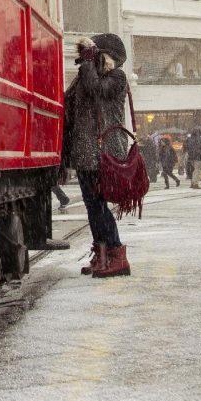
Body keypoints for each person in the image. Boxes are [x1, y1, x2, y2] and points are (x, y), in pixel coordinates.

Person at [61, 34, 133, 278]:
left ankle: (116, 254)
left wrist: (89, 63)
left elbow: (96, 90)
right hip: (84, 153)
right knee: (93, 207)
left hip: (102, 153)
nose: (85, 59)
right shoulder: (85, 75)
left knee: (100, 207)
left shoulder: (117, 77)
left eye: (91, 55)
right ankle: (101, 254)